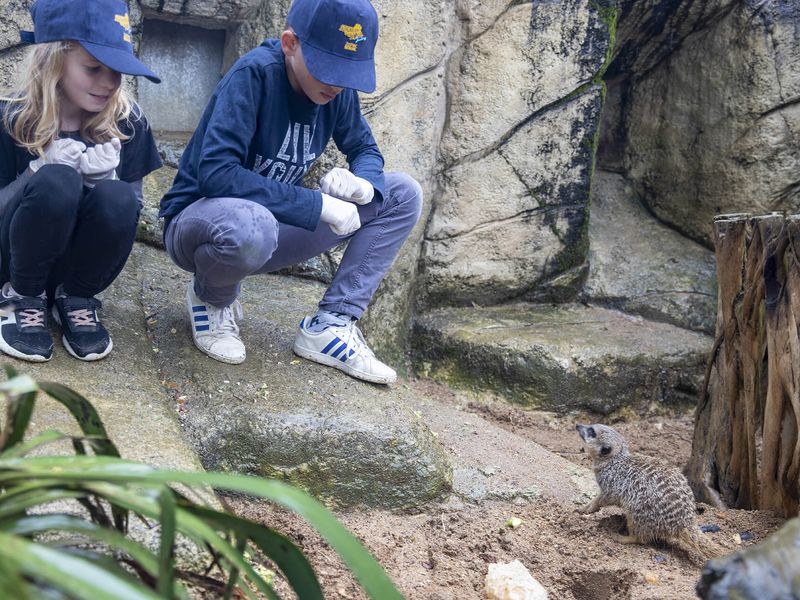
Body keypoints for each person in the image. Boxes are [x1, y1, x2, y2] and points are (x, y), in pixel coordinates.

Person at [159, 0, 422, 384]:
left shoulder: (337, 91)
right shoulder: (254, 74)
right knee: (253, 224)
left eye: (348, 72)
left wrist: (363, 183)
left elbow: (365, 149)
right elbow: (216, 174)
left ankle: (330, 324)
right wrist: (317, 204)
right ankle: (211, 299)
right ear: (289, 43)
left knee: (402, 193)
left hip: (268, 231)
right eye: (328, 67)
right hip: (198, 226)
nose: (336, 82)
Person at [0, 0, 162, 362]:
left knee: (117, 195)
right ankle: (20, 300)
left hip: (78, 267)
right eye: (93, 68)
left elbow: (129, 212)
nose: (108, 85)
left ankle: (75, 298)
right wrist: (36, 172)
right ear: (54, 58)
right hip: (11, 261)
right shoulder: (9, 116)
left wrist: (104, 179)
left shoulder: (127, 123)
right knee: (56, 181)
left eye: (117, 70)